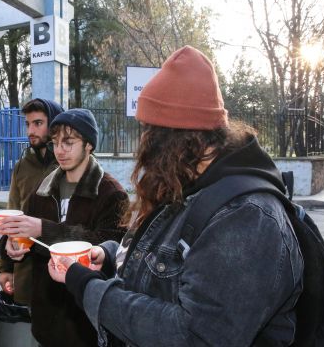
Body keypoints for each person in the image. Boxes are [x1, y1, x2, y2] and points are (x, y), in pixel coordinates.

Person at [48, 46, 304, 346]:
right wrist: (107, 259)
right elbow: (164, 272)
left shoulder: (246, 217)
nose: (143, 146)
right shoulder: (188, 186)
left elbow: (194, 336)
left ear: (178, 140)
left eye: (149, 132)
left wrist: (91, 289)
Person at [0, 108, 130, 347]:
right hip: (45, 321)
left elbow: (107, 247)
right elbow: (23, 231)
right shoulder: (43, 188)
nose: (59, 150)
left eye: (69, 142)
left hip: (85, 325)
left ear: (89, 144)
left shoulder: (112, 193)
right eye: (56, 142)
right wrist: (12, 245)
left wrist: (43, 229)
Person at [0, 98, 63, 305]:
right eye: (28, 124)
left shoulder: (67, 165)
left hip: (60, 270)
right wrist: (6, 267)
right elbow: (11, 216)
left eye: (38, 123)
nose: (30, 131)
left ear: (53, 125)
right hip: (26, 268)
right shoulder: (22, 166)